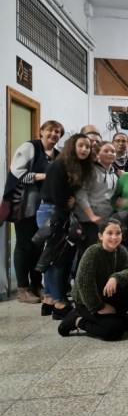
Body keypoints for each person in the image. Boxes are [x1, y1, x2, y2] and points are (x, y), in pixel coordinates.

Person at [4, 120, 64, 303]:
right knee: (24, 245)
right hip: (24, 204)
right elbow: (17, 172)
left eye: (57, 132)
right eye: (50, 130)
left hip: (45, 207)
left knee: (39, 246)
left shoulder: (58, 155)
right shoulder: (30, 147)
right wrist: (44, 176)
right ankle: (22, 289)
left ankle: (37, 285)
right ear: (41, 131)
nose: (53, 134)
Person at [38, 133, 94, 320]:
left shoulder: (78, 166)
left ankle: (49, 300)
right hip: (53, 212)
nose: (84, 149)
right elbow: (56, 196)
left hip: (62, 212)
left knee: (56, 257)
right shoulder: (58, 165)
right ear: (72, 146)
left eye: (87, 146)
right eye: (81, 145)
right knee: (56, 259)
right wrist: (67, 207)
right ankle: (59, 303)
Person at [57, 219, 128, 339]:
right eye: (109, 233)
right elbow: (85, 283)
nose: (114, 237)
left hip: (105, 295)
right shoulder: (93, 252)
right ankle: (77, 319)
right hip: (86, 302)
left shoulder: (121, 250)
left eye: (118, 233)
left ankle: (119, 316)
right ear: (101, 236)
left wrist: (115, 278)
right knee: (115, 330)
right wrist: (98, 307)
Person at [75, 141, 118, 254]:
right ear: (97, 154)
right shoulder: (90, 171)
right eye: (106, 151)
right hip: (87, 221)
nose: (110, 153)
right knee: (87, 256)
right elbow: (80, 194)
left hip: (104, 221)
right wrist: (92, 216)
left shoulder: (115, 176)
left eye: (113, 151)